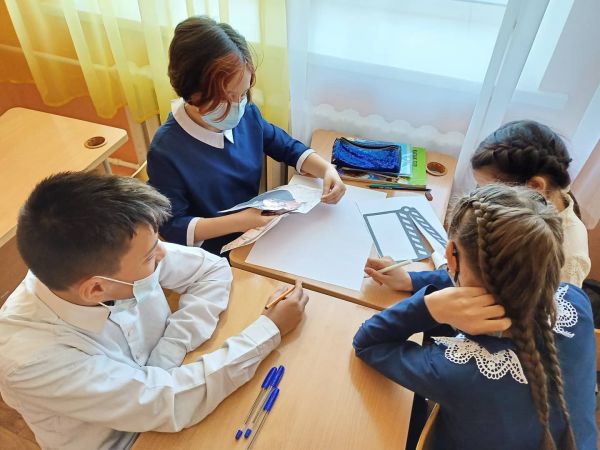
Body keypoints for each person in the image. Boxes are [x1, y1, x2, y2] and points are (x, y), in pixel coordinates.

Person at [0, 172, 308, 450]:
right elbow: (169, 402)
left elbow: (211, 270)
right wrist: (269, 330)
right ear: (95, 290)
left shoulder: (114, 255)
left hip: (170, 395)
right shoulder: (29, 359)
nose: (162, 253)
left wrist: (168, 352)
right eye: (149, 257)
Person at [355, 184, 596, 450]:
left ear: (450, 256)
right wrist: (412, 280)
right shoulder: (576, 303)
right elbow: (499, 277)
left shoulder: (456, 371)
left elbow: (368, 343)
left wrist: (428, 306)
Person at [147, 16, 346, 255]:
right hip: (215, 252)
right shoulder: (166, 152)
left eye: (243, 93)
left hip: (254, 232)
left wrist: (326, 170)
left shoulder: (246, 113)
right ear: (192, 91)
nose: (239, 105)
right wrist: (240, 221)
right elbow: (173, 226)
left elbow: (285, 146)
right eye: (228, 97)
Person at [471, 120, 590, 286]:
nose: (482, 198)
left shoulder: (569, 256)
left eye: (491, 191)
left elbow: (549, 303)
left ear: (535, 187)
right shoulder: (542, 197)